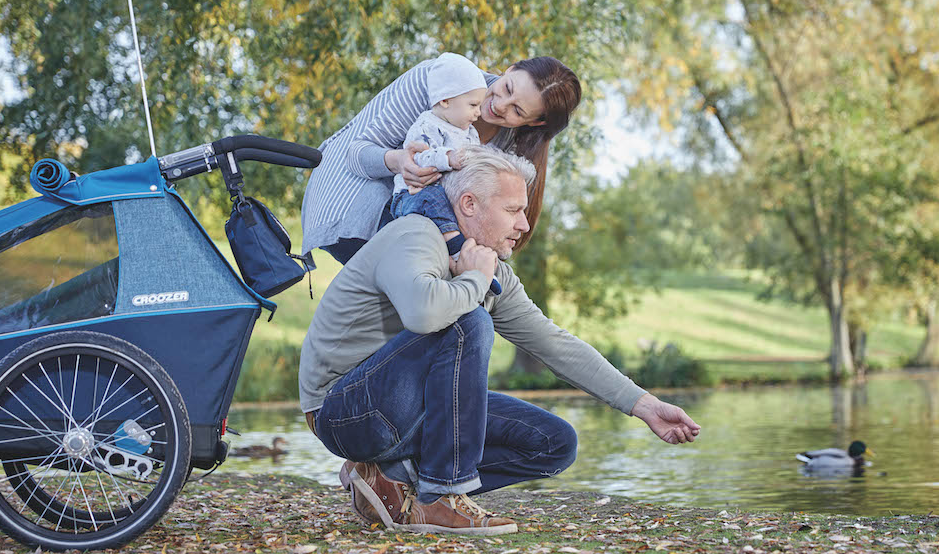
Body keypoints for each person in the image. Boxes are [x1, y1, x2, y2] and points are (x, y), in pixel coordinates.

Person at [299, 145, 701, 536]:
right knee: (468, 320)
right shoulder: (414, 234)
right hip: (342, 411)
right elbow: (424, 314)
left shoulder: (493, 272)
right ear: (470, 204)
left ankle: (392, 478)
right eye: (513, 211)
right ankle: (442, 495)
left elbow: (553, 343)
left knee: (554, 443)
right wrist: (474, 279)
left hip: (407, 409)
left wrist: (644, 405)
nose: (524, 225)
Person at [300, 52, 580, 267]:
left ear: (535, 122)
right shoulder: (442, 79)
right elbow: (355, 152)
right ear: (511, 69)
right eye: (507, 88)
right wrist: (399, 161)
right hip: (353, 198)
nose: (498, 105)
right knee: (425, 292)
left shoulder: (512, 143)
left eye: (517, 110)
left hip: (421, 219)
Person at [388, 52, 501, 295]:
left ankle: (480, 264)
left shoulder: (470, 132)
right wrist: (447, 157)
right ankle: (459, 252)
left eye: (479, 106)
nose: (478, 113)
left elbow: (474, 157)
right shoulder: (427, 125)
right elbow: (417, 157)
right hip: (412, 196)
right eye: (473, 105)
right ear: (445, 101)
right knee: (435, 199)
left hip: (442, 195)